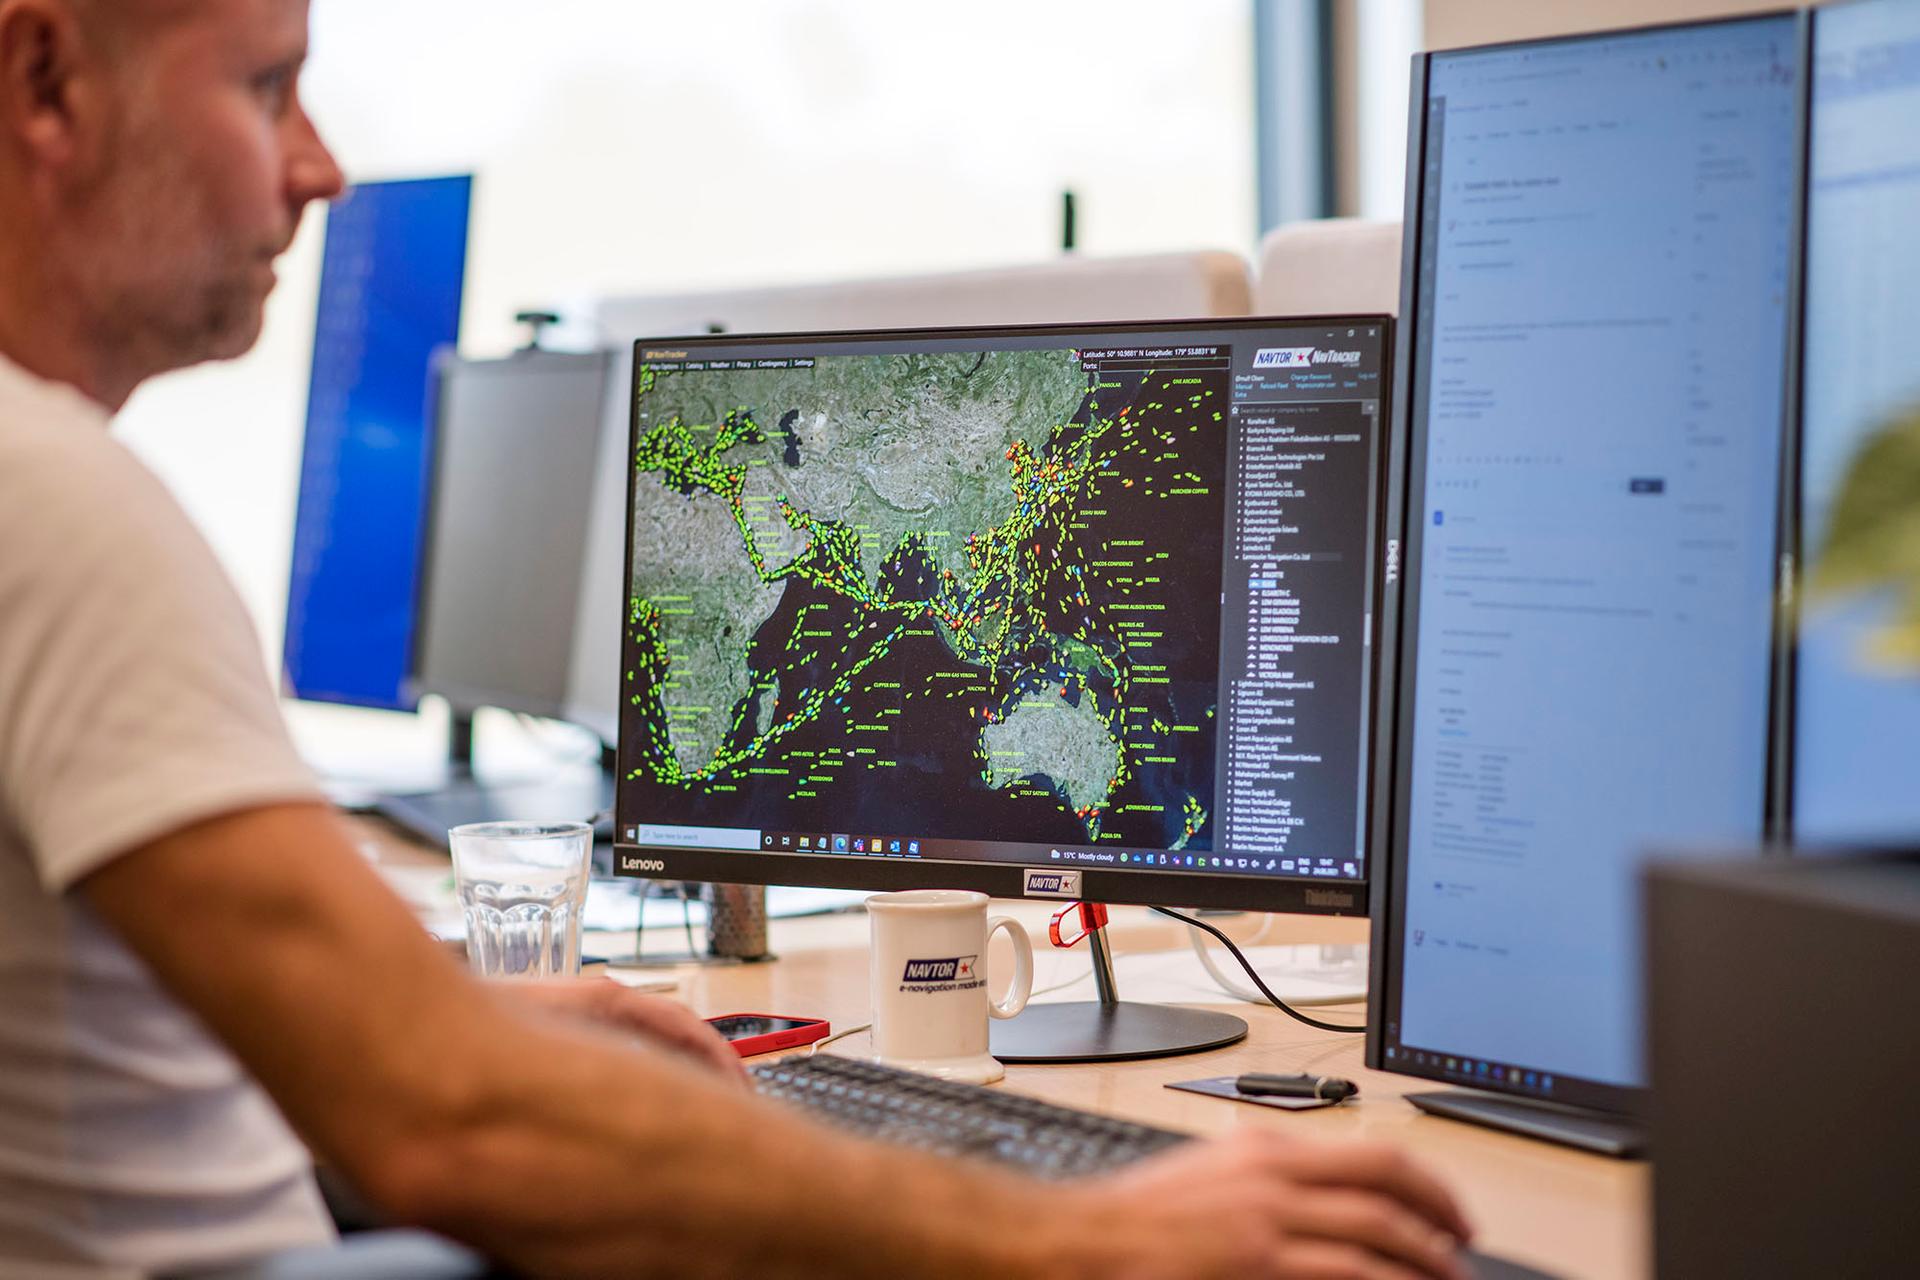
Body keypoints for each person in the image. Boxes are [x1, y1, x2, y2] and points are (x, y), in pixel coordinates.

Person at [0, 1, 1477, 1276]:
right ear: (46, 81)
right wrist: (1090, 1240)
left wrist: (444, 1015)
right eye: (265, 87)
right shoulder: (56, 500)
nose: (319, 164)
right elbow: (454, 1128)